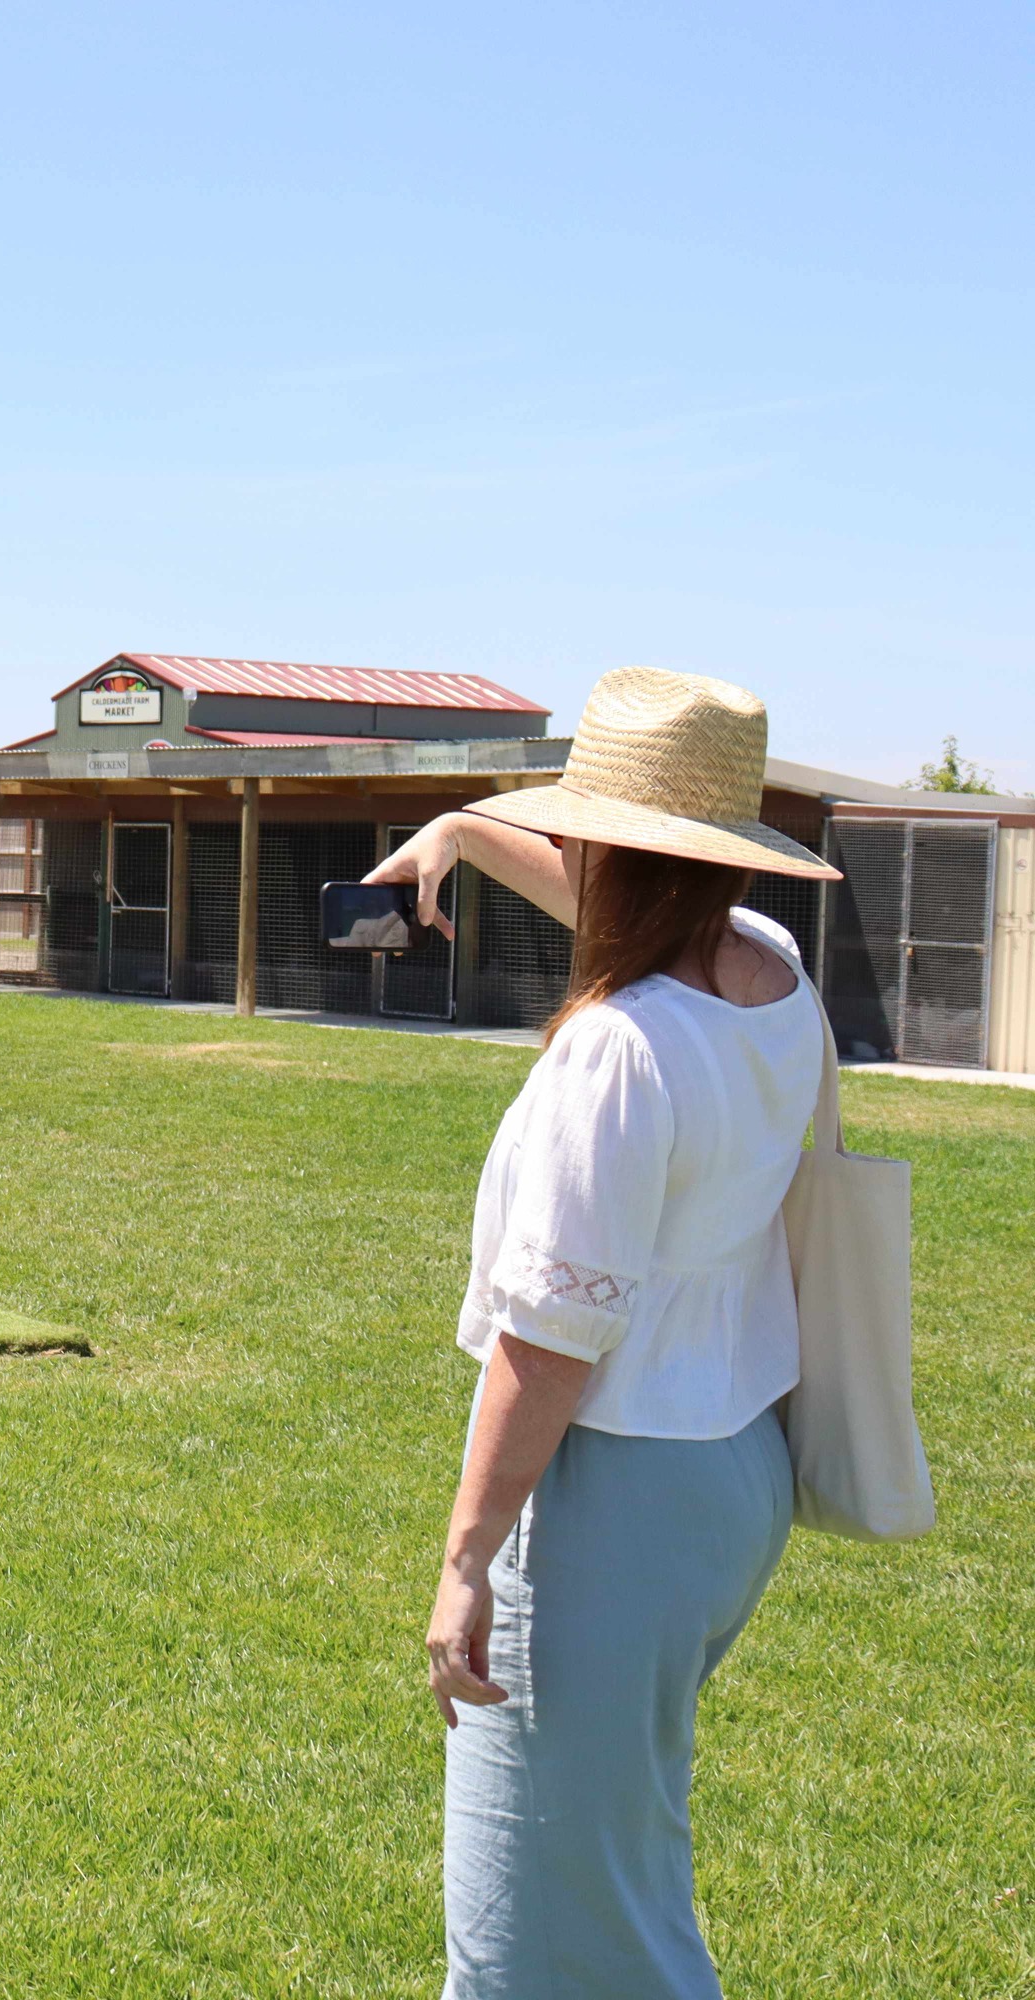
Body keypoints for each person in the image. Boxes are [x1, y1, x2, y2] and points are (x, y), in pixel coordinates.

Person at [366, 668, 842, 1999]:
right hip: (728, 1475)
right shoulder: (768, 972)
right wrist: (460, 832)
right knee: (615, 1872)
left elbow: (552, 1340)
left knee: (541, 1945)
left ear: (605, 848)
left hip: (605, 1497)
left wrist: (466, 1560)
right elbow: (624, 908)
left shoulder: (618, 1050)